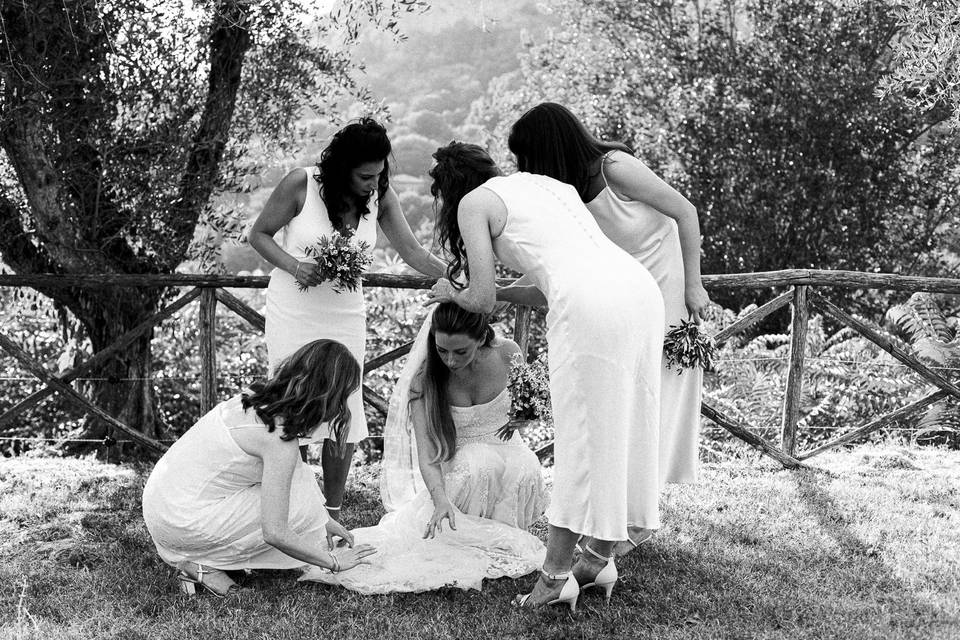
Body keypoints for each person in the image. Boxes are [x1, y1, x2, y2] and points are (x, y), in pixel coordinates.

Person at [426, 142, 664, 610]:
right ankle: (597, 558)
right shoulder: (543, 184)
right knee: (624, 424)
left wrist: (446, 292)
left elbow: (481, 299)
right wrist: (500, 291)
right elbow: (550, 279)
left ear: (449, 190)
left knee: (580, 438)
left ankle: (555, 576)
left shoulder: (475, 204)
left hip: (590, 308)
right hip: (637, 290)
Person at [508, 102, 711, 554]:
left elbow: (686, 212)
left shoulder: (614, 166)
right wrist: (495, 290)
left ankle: (634, 524)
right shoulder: (567, 200)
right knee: (622, 406)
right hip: (624, 304)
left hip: (670, 296)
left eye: (525, 158)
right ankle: (615, 519)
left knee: (656, 405)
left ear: (546, 149)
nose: (523, 169)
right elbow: (549, 276)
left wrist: (694, 285)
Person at [249, 118, 446, 523]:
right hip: (294, 309)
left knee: (345, 406)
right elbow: (260, 235)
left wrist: (462, 278)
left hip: (344, 314)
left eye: (378, 174)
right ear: (341, 167)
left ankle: (332, 512)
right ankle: (292, 507)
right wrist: (294, 265)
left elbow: (413, 254)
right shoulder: (299, 184)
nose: (372, 184)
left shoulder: (381, 196)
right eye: (364, 176)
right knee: (293, 403)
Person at [302, 302, 547, 594]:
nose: (451, 361)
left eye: (460, 352)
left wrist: (525, 416)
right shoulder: (425, 380)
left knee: (526, 463)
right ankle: (466, 534)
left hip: (508, 448)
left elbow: (529, 402)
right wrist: (440, 499)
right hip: (461, 461)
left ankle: (505, 533)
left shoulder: (509, 353)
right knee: (479, 462)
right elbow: (428, 456)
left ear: (481, 339)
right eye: (442, 350)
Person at [142, 339, 377, 597]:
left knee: (299, 482)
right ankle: (203, 564)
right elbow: (275, 532)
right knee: (295, 507)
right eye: (343, 396)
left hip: (162, 506)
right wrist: (334, 563)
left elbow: (294, 475)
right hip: (181, 521)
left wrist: (323, 520)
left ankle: (212, 556)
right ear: (327, 396)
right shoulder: (278, 440)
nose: (342, 407)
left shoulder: (254, 400)